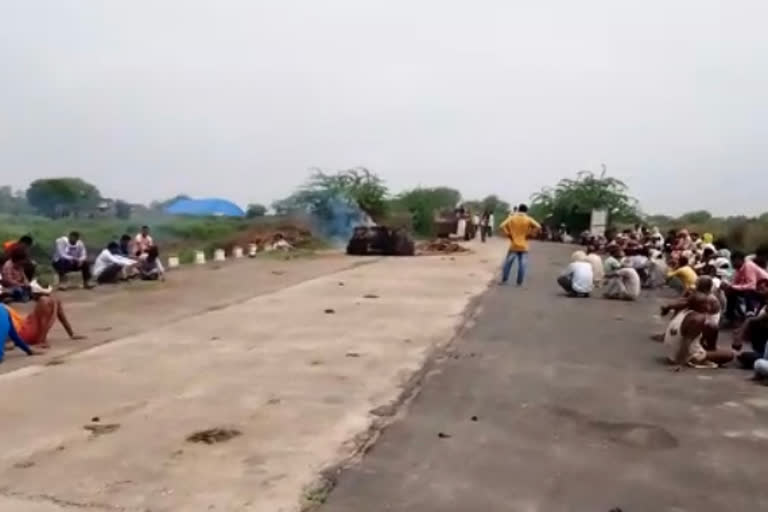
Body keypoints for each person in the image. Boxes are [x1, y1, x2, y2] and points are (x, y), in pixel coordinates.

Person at [658, 276, 734, 369]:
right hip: (680, 354)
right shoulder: (698, 318)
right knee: (729, 355)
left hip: (671, 350)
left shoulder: (685, 309)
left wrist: (667, 307)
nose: (708, 307)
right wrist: (679, 363)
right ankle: (696, 358)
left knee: (709, 330)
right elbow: (687, 341)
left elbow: (683, 302)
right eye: (706, 304)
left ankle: (704, 352)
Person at [4, 293, 84, 349]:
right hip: (29, 333)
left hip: (27, 333)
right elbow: (62, 320)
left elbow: (44, 323)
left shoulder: (43, 301)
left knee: (9, 330)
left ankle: (11, 342)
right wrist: (71, 333)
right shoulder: (55, 301)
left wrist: (41, 341)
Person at [721, 250, 768, 326]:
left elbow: (751, 285)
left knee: (747, 291)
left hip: (764, 290)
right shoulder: (739, 269)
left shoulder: (748, 265)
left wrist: (733, 287)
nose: (732, 263)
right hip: (757, 290)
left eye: (733, 261)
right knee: (732, 291)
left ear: (739, 260)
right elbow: (735, 283)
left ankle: (750, 314)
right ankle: (730, 317)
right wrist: (728, 286)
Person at [499, 204, 541, 286]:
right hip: (524, 245)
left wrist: (508, 234)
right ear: (526, 211)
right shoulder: (528, 219)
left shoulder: (512, 217)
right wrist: (531, 234)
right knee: (522, 264)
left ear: (518, 210)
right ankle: (519, 282)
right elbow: (538, 226)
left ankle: (504, 280)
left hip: (514, 244)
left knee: (508, 263)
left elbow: (501, 226)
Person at [732, 279, 768, 371]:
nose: (759, 292)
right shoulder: (762, 301)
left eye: (762, 289)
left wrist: (739, 335)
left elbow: (754, 320)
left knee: (753, 361)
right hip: (762, 342)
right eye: (758, 289)